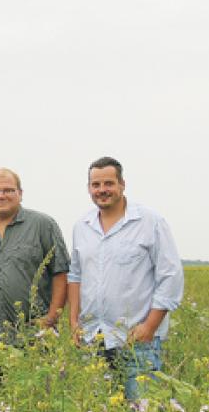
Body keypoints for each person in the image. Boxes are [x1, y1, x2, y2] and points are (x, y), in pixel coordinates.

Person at [68, 157, 184, 399]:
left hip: (137, 339)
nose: (102, 190)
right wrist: (74, 323)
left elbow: (171, 276)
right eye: (96, 185)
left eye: (108, 183)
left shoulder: (149, 222)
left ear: (122, 184)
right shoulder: (82, 226)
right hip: (93, 337)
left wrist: (149, 327)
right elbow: (76, 275)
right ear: (89, 188)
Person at [0, 168, 70, 346]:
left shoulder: (43, 225)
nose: (1, 196)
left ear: (20, 193)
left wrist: (51, 318)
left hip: (34, 335)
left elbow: (60, 272)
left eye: (8, 190)